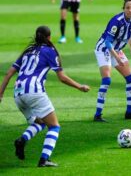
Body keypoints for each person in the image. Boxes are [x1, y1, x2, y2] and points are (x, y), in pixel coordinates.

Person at [0, 26, 90, 167]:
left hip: (18, 94)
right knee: (54, 126)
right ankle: (44, 159)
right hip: (34, 93)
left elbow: (9, 73)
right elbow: (62, 78)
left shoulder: (27, 51)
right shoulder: (50, 51)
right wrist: (80, 87)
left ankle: (22, 140)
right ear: (49, 37)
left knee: (40, 122)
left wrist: (0, 94)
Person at [93, 0, 131, 122]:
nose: (130, 10)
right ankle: (97, 115)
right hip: (104, 48)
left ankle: (129, 112)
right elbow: (108, 42)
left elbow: (129, 35)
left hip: (117, 49)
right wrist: (118, 58)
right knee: (107, 80)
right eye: (128, 8)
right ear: (123, 8)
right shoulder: (117, 21)